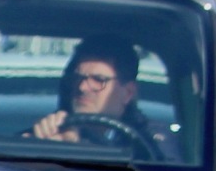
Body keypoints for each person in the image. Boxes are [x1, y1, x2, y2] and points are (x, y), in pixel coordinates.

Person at [29, 38, 159, 154]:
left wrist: (78, 148)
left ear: (128, 93)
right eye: (78, 78)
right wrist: (44, 145)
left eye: (98, 80)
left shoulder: (150, 143)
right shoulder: (49, 134)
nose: (82, 87)